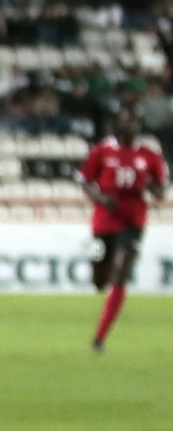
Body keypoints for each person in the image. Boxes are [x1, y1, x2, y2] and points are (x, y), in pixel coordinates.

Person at [80, 110, 166, 351]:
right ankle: (101, 279)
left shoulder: (149, 155)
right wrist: (100, 197)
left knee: (121, 271)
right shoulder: (101, 151)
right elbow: (85, 181)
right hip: (103, 223)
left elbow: (161, 191)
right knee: (99, 279)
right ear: (116, 126)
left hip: (133, 222)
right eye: (126, 122)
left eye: (134, 123)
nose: (130, 127)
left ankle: (100, 338)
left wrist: (150, 186)